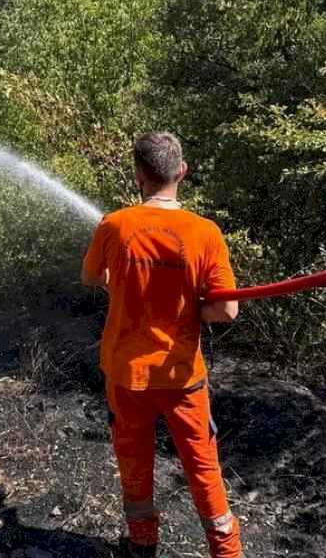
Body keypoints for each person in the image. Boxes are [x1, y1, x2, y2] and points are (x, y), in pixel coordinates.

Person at [81, 132, 243, 558]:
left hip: (126, 373)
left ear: (139, 174)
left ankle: (142, 546)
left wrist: (126, 287)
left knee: (135, 466)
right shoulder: (205, 232)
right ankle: (227, 551)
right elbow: (227, 313)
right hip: (182, 376)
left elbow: (94, 276)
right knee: (203, 469)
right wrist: (192, 311)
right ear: (182, 172)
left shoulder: (114, 225)